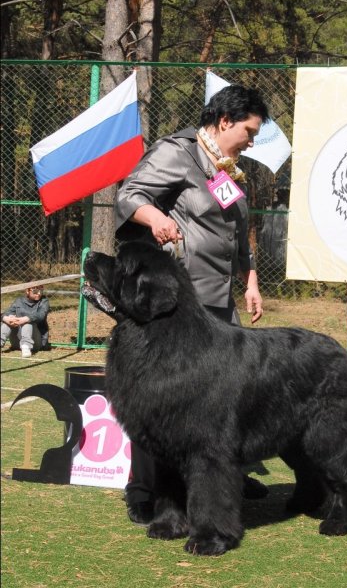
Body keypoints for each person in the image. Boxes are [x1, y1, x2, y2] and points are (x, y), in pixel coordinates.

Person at [115, 84, 270, 526]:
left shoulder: (223, 169)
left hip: (219, 303)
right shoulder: (177, 152)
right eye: (249, 131)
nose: (252, 141)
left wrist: (251, 280)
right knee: (162, 394)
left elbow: (237, 232)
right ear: (225, 122)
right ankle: (144, 490)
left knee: (221, 396)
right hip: (178, 303)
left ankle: (223, 477)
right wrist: (157, 217)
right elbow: (130, 195)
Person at [1, 285, 50, 358]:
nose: (39, 293)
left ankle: (26, 347)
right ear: (27, 291)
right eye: (35, 291)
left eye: (41, 291)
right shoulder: (19, 301)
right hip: (17, 342)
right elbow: (6, 313)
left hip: (35, 343)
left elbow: (41, 315)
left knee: (28, 322)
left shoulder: (44, 301)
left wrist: (24, 319)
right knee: (8, 322)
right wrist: (6, 318)